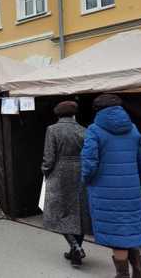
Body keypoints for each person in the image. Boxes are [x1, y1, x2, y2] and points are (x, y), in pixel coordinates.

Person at [82, 94, 141, 278]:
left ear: (97, 110)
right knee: (128, 231)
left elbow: (89, 163)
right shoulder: (133, 129)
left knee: (117, 237)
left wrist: (86, 180)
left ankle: (122, 275)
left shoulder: (94, 130)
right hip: (130, 189)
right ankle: (138, 272)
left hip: (105, 190)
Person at [42, 101, 91, 267]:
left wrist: (46, 171)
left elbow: (49, 157)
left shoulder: (52, 130)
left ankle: (75, 247)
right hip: (81, 171)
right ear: (74, 114)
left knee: (58, 211)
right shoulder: (83, 130)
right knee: (79, 212)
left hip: (60, 172)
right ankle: (75, 251)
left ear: (58, 114)